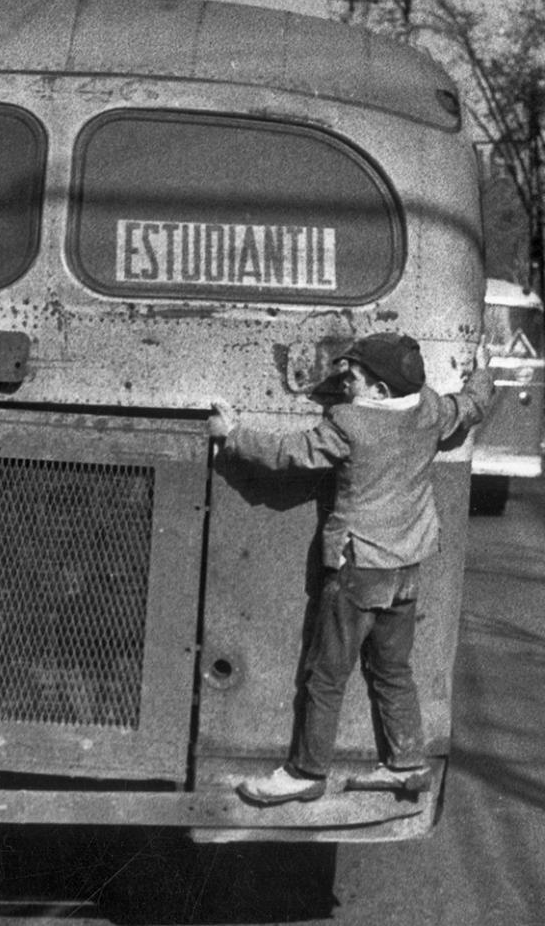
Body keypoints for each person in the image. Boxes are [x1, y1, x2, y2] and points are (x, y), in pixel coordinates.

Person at [208, 333, 491, 806]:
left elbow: (288, 454)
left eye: (355, 377)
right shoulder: (429, 411)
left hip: (359, 569)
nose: (345, 382)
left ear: (379, 390)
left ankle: (306, 773)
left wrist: (231, 436)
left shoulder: (350, 423)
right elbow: (472, 405)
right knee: (393, 669)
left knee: (326, 674)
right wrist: (482, 369)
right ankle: (407, 765)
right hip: (406, 566)